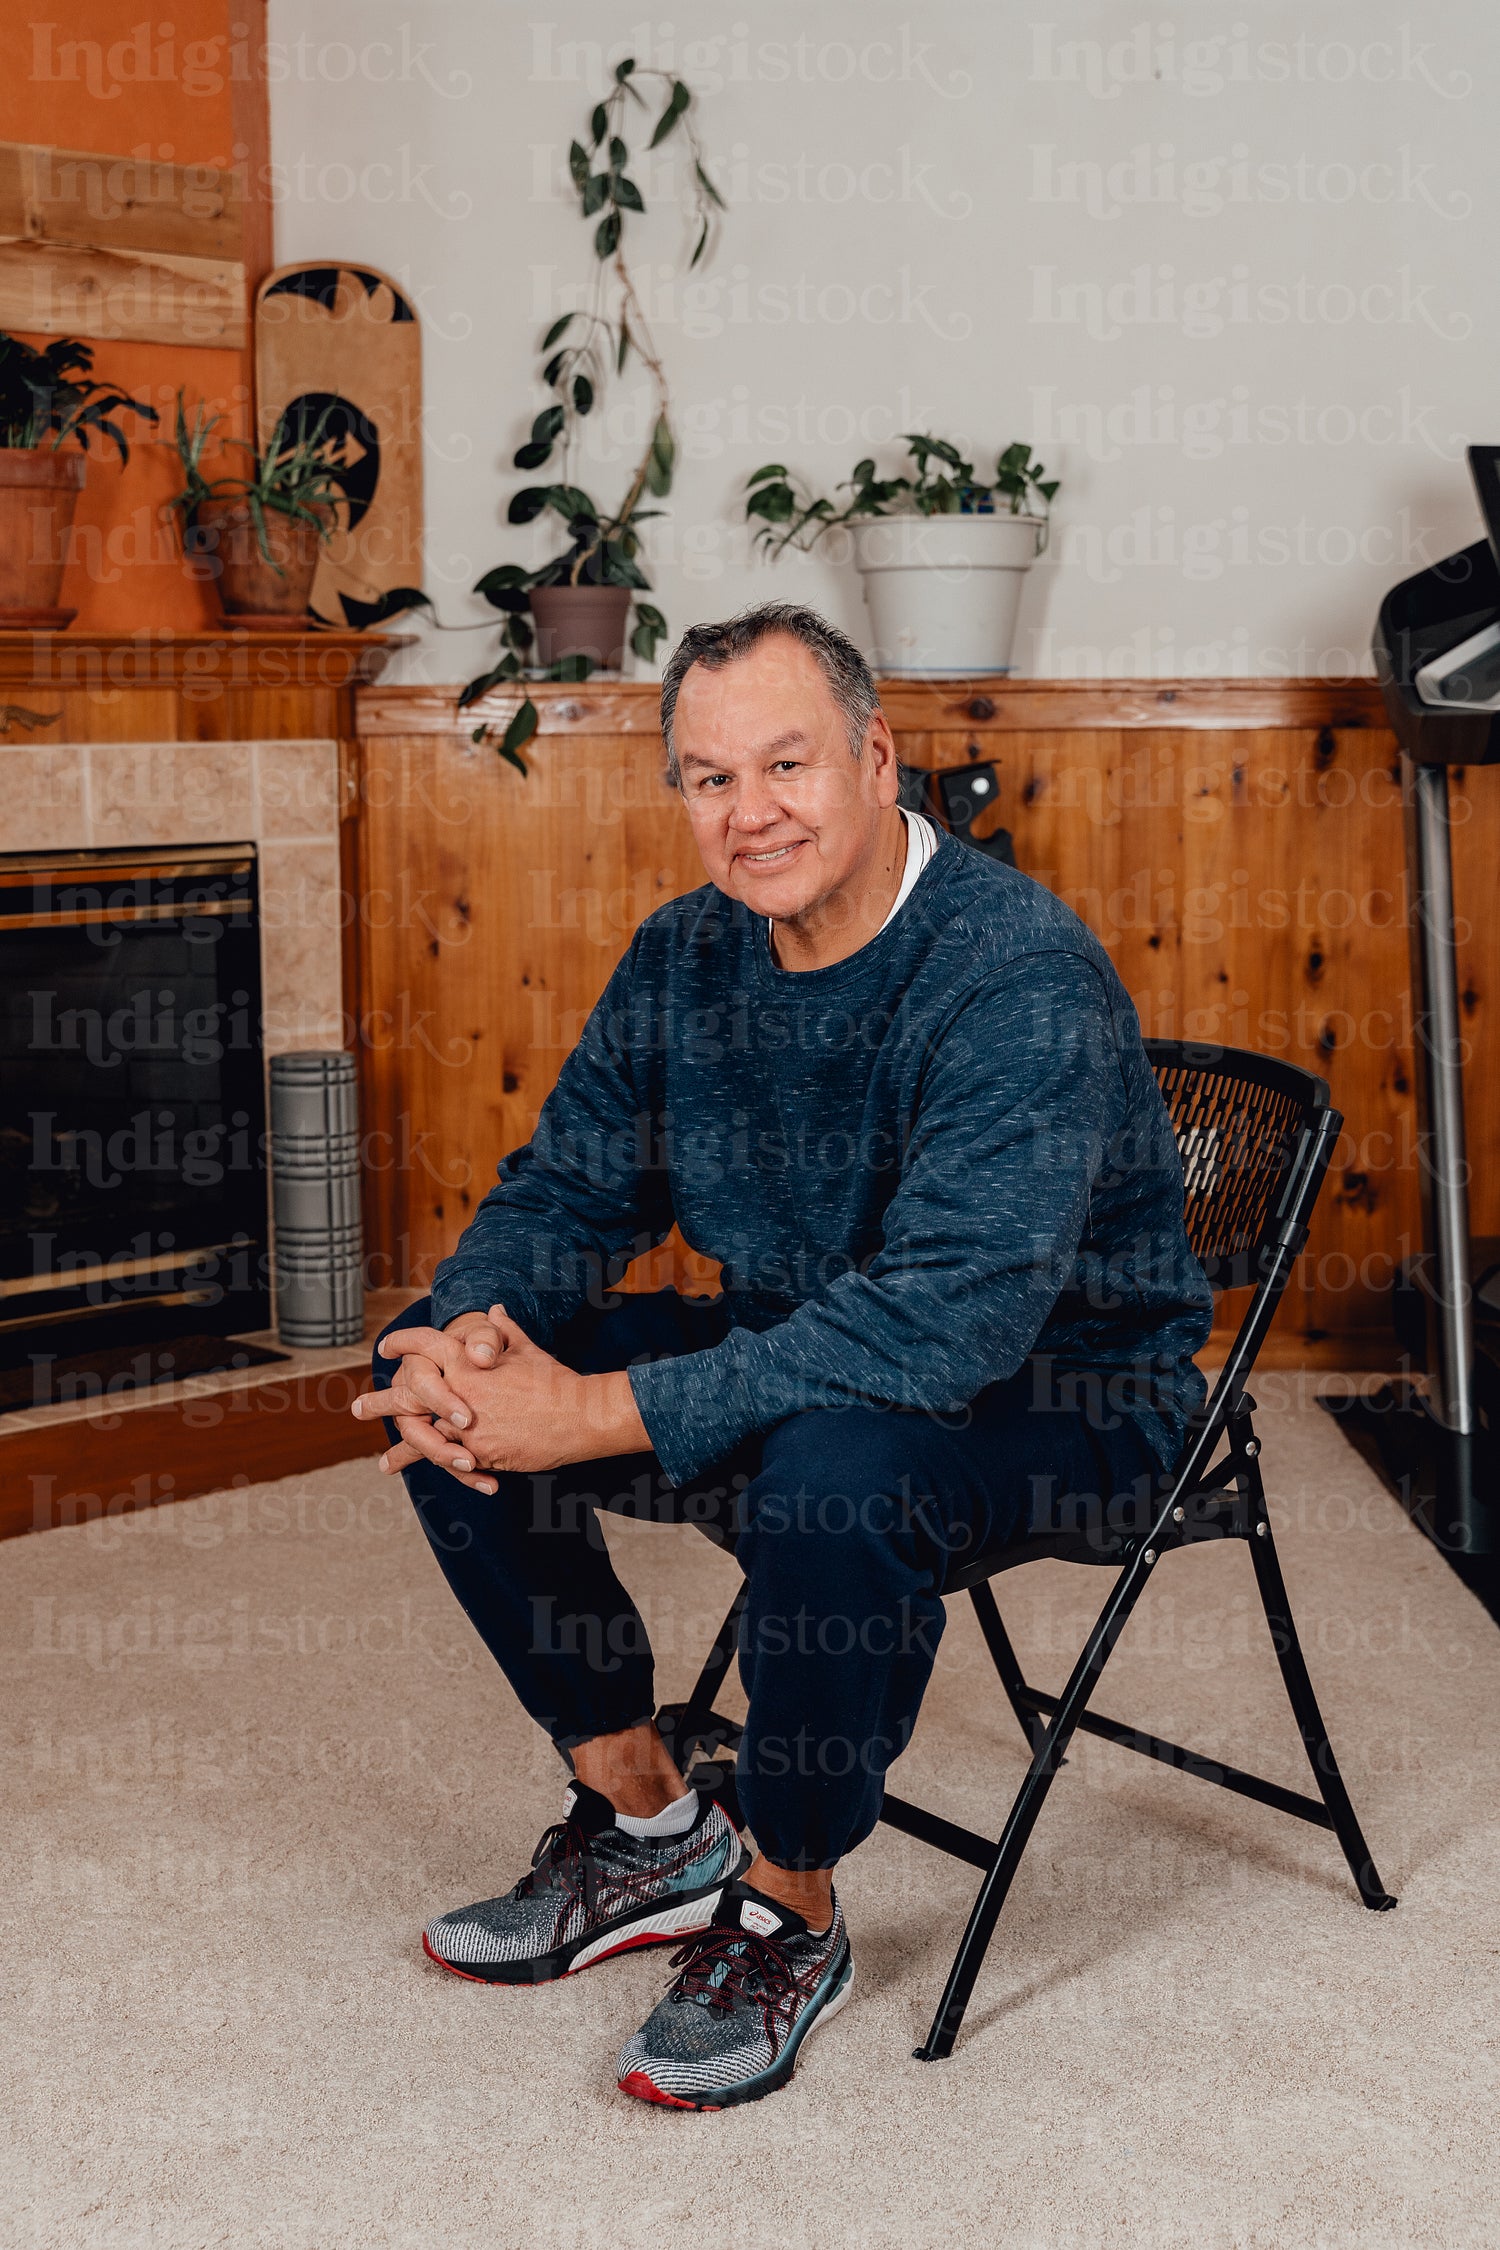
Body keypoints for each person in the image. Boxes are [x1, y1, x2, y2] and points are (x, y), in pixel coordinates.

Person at [353, 601, 1213, 2110]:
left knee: (833, 1474)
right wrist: (472, 1323)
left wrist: (604, 1409)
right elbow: (569, 1186)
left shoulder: (1016, 976)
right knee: (449, 1383)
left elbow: (947, 1324)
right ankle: (648, 1819)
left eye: (787, 765)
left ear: (879, 760)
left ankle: (789, 1904)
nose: (749, 814)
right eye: (707, 778)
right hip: (809, 1340)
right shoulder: (690, 956)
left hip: (1069, 1392)